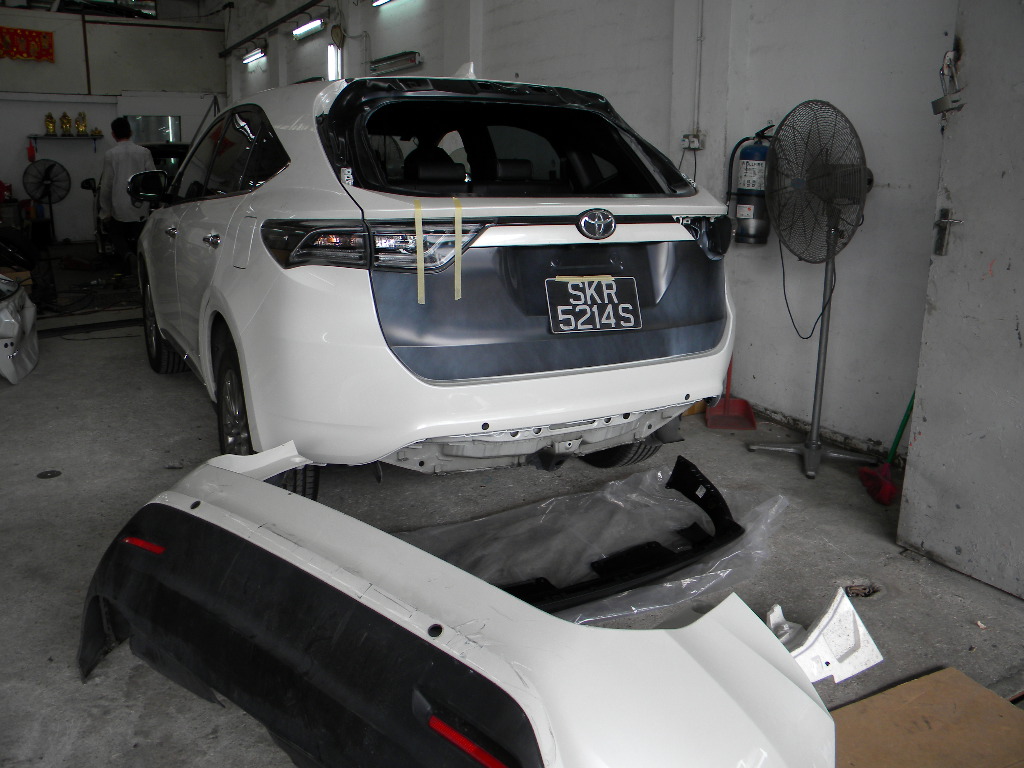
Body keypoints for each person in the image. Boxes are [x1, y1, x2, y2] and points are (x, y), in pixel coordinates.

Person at [99, 117, 154, 274]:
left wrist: (105, 212)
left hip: (120, 207)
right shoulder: (144, 152)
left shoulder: (111, 154)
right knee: (140, 237)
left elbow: (106, 185)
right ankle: (143, 264)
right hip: (141, 206)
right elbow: (152, 179)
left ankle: (127, 255)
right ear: (130, 132)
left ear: (113, 134)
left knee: (116, 234)